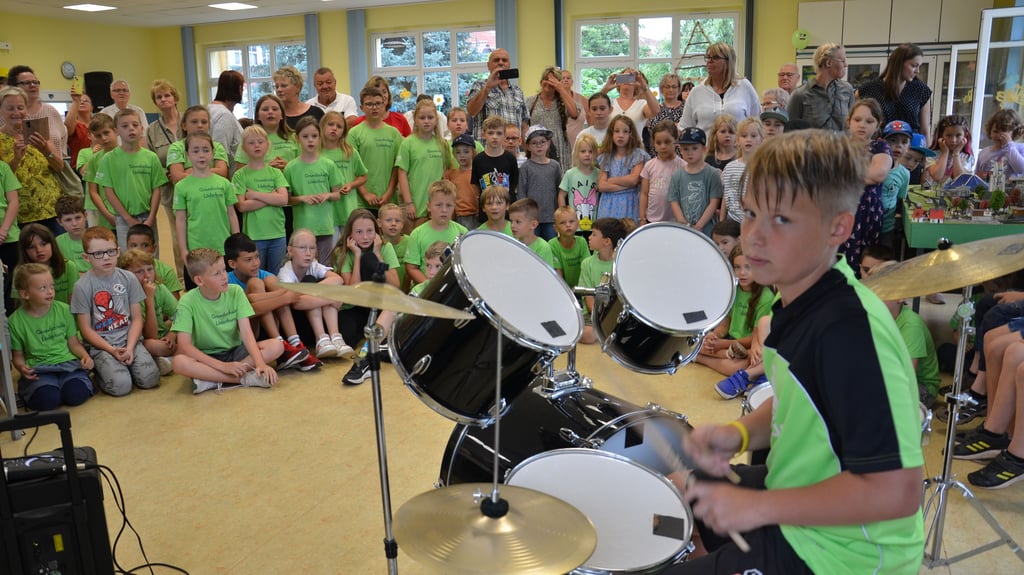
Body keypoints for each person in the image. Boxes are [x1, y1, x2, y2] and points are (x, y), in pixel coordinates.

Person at [663, 130, 924, 575]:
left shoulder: (850, 332)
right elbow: (800, 403)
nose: (754, 237)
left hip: (844, 552)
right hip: (798, 492)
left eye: (781, 219)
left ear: (837, 227)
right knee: (674, 488)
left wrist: (757, 509)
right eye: (750, 214)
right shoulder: (796, 300)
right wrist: (739, 434)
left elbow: (898, 491)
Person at [171, 248, 282, 395]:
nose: (224, 277)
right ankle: (243, 379)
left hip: (235, 351)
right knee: (179, 363)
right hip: (206, 356)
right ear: (199, 280)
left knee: (277, 345)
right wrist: (223, 366)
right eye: (217, 274)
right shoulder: (187, 301)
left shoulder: (236, 291)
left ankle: (209, 379)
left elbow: (247, 333)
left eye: (224, 270)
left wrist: (261, 364)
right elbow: (184, 345)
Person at [71, 226, 160, 397]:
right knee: (121, 387)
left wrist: (130, 347)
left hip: (130, 340)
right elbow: (86, 330)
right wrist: (112, 350)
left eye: (110, 251)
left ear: (118, 251)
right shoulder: (82, 286)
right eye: (98, 253)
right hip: (102, 346)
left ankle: (129, 366)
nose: (106, 257)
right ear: (86, 257)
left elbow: (136, 319)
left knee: (151, 379)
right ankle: (101, 372)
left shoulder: (129, 278)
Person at [224, 232, 318, 372]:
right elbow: (248, 307)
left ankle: (295, 344)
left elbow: (258, 300)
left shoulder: (266, 275)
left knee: (269, 282)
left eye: (257, 257)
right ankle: (283, 347)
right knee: (256, 283)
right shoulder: (227, 282)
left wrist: (281, 296)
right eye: (248, 259)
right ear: (232, 263)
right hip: (246, 335)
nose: (255, 263)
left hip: (270, 327)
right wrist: (285, 296)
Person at [10, 263, 94, 411]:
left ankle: (65, 386)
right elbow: (17, 355)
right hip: (40, 370)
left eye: (52, 286)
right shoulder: (15, 321)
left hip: (68, 365)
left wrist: (85, 356)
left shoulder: (64, 310)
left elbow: (73, 343)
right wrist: (22, 368)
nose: (50, 292)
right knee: (47, 400)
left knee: (76, 394)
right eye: (43, 288)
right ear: (25, 294)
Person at [333, 209, 402, 385]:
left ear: (376, 232)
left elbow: (395, 285)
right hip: (356, 306)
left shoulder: (386, 247)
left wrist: (378, 254)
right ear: (350, 234)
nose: (365, 237)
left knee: (370, 260)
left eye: (370, 231)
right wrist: (356, 256)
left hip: (381, 304)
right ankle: (382, 344)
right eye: (359, 232)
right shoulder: (343, 252)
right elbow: (353, 292)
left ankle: (364, 358)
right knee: (347, 337)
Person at [698, 245, 775, 389]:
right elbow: (725, 324)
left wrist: (720, 345)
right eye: (737, 267)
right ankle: (717, 354)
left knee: (743, 365)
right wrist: (715, 335)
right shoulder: (733, 290)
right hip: (729, 343)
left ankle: (699, 357)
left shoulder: (765, 296)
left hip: (747, 346)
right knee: (699, 340)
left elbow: (755, 338)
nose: (742, 273)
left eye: (748, 267)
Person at [97, 109, 168, 249]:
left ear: (142, 128)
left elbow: (156, 189)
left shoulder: (151, 158)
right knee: (128, 258)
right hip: (123, 219)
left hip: (148, 217)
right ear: (116, 130)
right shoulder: (109, 159)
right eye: (125, 126)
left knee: (150, 257)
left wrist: (152, 217)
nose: (131, 129)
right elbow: (109, 192)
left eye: (135, 125)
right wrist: (128, 219)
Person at [278, 228, 351, 359]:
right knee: (311, 281)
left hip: (313, 316)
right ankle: (321, 339)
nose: (308, 253)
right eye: (302, 248)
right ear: (290, 251)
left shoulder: (314, 265)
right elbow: (297, 303)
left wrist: (315, 291)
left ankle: (335, 337)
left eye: (312, 248)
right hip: (297, 325)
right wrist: (330, 298)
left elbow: (338, 279)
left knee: (320, 285)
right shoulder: (285, 273)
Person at [0, 86, 62, 233]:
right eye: (10, 108)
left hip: (53, 211)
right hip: (21, 215)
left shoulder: (39, 132)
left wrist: (46, 150)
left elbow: (59, 167)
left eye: (20, 107)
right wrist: (16, 159)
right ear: (1, 111)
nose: (16, 113)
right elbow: (2, 182)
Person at [173, 131, 240, 266]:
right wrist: (183, 250)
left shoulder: (224, 183)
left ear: (213, 152)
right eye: (195, 151)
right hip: (196, 249)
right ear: (187, 155)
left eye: (205, 150)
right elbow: (180, 220)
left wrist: (236, 243)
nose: (201, 155)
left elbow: (231, 214)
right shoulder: (181, 187)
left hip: (223, 246)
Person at [841, 98, 891, 276]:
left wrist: (841, 174)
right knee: (839, 264)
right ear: (849, 122)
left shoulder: (880, 146)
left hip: (867, 215)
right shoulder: (839, 146)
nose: (862, 125)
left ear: (878, 124)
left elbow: (877, 174)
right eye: (857, 120)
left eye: (869, 121)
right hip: (841, 212)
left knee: (866, 264)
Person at [285, 117, 343, 264]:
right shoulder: (291, 168)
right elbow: (286, 199)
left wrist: (327, 195)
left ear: (319, 137)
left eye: (314, 136)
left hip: (325, 226)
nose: (310, 140)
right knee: (303, 265)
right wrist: (302, 198)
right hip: (302, 227)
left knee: (325, 266)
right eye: (305, 136)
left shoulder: (328, 165)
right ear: (297, 138)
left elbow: (337, 194)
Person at [232, 125, 290, 274]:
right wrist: (271, 196)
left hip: (278, 234)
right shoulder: (240, 175)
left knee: (277, 277)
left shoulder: (275, 173)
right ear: (244, 148)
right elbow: (242, 206)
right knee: (256, 276)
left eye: (260, 141)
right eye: (251, 143)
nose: (256, 145)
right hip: (254, 236)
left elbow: (284, 200)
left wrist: (254, 195)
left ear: (267, 145)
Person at [145, 79, 185, 275]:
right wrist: (166, 174)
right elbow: (151, 160)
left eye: (167, 95)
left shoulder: (189, 121)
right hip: (171, 191)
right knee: (178, 237)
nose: (163, 99)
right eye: (159, 97)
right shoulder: (152, 130)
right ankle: (181, 278)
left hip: (196, 184)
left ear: (175, 98)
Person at [118, 248, 176, 377]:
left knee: (190, 334)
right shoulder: (125, 296)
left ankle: (170, 359)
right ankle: (175, 358)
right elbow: (150, 335)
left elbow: (180, 315)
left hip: (164, 339)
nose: (147, 275)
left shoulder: (159, 288)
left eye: (150, 269)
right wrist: (149, 299)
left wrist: (173, 334)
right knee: (150, 345)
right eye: (139, 271)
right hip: (142, 342)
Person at [855, 44, 932, 140]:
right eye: (914, 66)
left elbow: (925, 130)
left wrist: (927, 154)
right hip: (879, 148)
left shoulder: (921, 90)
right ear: (899, 63)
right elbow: (855, 123)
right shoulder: (869, 89)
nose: (918, 71)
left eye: (919, 66)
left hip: (911, 149)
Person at [679, 43, 760, 133]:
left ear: (728, 61)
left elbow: (758, 123)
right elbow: (684, 127)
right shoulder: (697, 92)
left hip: (737, 146)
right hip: (706, 146)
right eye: (708, 57)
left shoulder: (744, 86)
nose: (710, 61)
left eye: (715, 58)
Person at [397, 100, 452, 231]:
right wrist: (409, 202)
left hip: (437, 206)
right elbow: (402, 174)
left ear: (436, 120)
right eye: (422, 118)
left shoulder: (442, 144)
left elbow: (447, 172)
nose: (426, 121)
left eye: (430, 117)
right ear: (415, 119)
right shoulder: (408, 143)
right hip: (415, 205)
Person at [348, 86, 403, 209]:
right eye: (369, 104)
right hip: (361, 202)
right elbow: (351, 168)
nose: (374, 108)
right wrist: (365, 193)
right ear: (361, 107)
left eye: (378, 103)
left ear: (384, 105)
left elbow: (397, 167)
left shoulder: (394, 133)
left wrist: (389, 193)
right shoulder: (354, 133)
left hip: (388, 201)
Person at [404, 180, 467, 285]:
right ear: (428, 206)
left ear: (455, 206)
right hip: (425, 291)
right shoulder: (417, 234)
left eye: (449, 205)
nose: (444, 210)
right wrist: (430, 286)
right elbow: (411, 268)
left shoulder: (462, 233)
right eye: (438, 205)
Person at [577, 217, 628, 345]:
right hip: (594, 315)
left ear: (606, 241)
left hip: (618, 314)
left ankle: (609, 331)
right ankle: (608, 332)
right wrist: (600, 320)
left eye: (594, 234)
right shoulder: (587, 264)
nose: (589, 237)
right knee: (587, 336)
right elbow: (589, 298)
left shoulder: (621, 264)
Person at [320, 111, 368, 238]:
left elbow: (363, 176)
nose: (334, 128)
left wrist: (351, 185)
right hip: (327, 211)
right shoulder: (316, 153)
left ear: (344, 132)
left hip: (347, 208)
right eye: (330, 124)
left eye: (339, 126)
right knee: (332, 251)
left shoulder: (350, 152)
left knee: (349, 247)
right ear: (322, 127)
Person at [787, 43, 854, 132]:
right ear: (828, 63)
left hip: (841, 145)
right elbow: (790, 132)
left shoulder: (847, 90)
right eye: (843, 61)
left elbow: (852, 126)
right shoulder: (800, 94)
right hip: (812, 146)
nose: (846, 65)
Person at [6, 66, 70, 158]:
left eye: (35, 82)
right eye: (27, 83)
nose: (33, 85)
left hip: (54, 168)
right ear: (14, 87)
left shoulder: (51, 111)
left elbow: (63, 137)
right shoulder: (7, 115)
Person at [669, 127, 722, 236]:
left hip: (707, 229)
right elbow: (674, 201)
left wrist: (699, 226)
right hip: (684, 230)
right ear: (680, 150)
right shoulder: (676, 175)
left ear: (704, 149)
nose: (690, 153)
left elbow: (714, 202)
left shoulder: (712, 174)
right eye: (685, 149)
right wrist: (682, 223)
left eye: (694, 148)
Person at [466, 48, 529, 140]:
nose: (500, 63)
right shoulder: (479, 85)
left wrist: (528, 150)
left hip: (511, 150)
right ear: (488, 65)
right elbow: (471, 111)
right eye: (496, 60)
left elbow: (524, 126)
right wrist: (487, 88)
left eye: (504, 60)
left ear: (509, 64)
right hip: (486, 149)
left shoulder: (518, 91)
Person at [526, 66, 580, 172]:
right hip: (537, 148)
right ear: (541, 82)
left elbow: (574, 113)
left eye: (553, 80)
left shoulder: (563, 101)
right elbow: (524, 127)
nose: (549, 83)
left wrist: (560, 88)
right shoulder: (530, 102)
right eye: (547, 79)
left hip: (560, 149)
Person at [597, 115, 649, 221]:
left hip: (629, 202)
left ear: (631, 134)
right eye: (617, 131)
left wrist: (611, 180)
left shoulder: (637, 155)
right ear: (611, 134)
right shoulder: (606, 156)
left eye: (625, 131)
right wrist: (627, 185)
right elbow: (601, 186)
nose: (621, 135)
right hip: (608, 204)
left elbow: (634, 180)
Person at [17, 223, 79, 306]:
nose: (39, 250)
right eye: (31, 247)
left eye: (43, 244)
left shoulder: (69, 266)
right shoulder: (20, 273)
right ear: (25, 251)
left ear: (52, 244)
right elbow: (21, 304)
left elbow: (75, 302)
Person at [518, 125, 561, 240]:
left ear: (549, 143)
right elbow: (522, 194)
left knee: (550, 246)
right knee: (532, 248)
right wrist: (524, 215)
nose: (539, 145)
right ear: (528, 146)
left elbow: (559, 191)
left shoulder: (555, 166)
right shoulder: (525, 167)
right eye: (534, 143)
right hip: (531, 218)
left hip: (551, 218)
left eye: (542, 141)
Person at [472, 115, 520, 216]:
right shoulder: (478, 160)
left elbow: (514, 184)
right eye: (490, 133)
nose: (494, 137)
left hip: (507, 212)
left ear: (504, 136)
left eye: (499, 133)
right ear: (484, 135)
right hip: (486, 212)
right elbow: (476, 187)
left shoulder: (510, 159)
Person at [234, 94, 298, 171]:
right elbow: (239, 172)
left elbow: (306, 166)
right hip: (260, 182)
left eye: (274, 109)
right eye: (265, 109)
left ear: (282, 115)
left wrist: (289, 167)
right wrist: (265, 170)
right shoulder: (248, 139)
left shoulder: (295, 137)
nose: (270, 112)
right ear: (258, 116)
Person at [720, 117, 765, 223]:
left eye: (753, 136)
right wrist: (721, 221)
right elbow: (726, 196)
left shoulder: (765, 167)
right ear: (737, 141)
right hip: (732, 220)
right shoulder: (730, 167)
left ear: (762, 140)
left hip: (755, 221)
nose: (748, 139)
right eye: (744, 136)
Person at [597, 69, 660, 144]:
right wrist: (605, 89)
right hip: (612, 149)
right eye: (624, 77)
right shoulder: (610, 103)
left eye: (631, 77)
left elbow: (655, 111)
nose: (627, 81)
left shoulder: (641, 104)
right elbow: (593, 108)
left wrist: (644, 86)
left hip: (635, 150)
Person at [640, 120, 684, 225]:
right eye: (658, 143)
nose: (663, 146)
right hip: (652, 219)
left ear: (676, 140)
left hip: (674, 220)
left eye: (667, 142)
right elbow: (644, 193)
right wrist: (642, 218)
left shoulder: (683, 166)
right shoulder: (649, 165)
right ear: (653, 143)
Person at [126, 224, 183, 299]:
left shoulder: (166, 271)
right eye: (134, 245)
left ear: (154, 248)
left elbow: (175, 305)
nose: (139, 250)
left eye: (145, 245)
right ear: (127, 247)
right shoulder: (122, 271)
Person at [82, 114, 119, 231]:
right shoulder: (94, 159)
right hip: (107, 218)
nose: (103, 138)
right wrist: (108, 215)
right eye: (98, 136)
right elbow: (93, 192)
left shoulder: (128, 154)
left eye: (106, 133)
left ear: (115, 131)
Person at [879, 120, 912, 249]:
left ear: (909, 147)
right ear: (882, 142)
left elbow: (899, 199)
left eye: (904, 142)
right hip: (867, 223)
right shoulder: (872, 166)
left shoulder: (904, 174)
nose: (898, 146)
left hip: (887, 227)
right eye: (893, 140)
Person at [559, 133, 599, 233]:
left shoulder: (599, 174)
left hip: (594, 224)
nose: (587, 154)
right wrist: (564, 214)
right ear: (577, 153)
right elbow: (561, 195)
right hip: (574, 225)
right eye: (583, 151)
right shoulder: (570, 174)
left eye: (591, 151)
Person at [208, 70, 245, 169]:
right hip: (226, 179)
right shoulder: (224, 115)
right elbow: (220, 152)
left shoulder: (211, 109)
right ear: (239, 88)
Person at [645, 73, 687, 157]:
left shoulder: (686, 108)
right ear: (661, 89)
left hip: (680, 157)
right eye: (667, 87)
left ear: (679, 89)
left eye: (674, 87)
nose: (671, 89)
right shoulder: (655, 109)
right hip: (657, 157)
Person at [975, 108, 1024, 179]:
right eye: (995, 131)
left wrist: (1009, 146)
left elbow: (1021, 170)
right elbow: (977, 175)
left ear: (1014, 132)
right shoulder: (983, 153)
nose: (999, 135)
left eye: (1004, 132)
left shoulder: (1020, 148)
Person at [548, 205, 589, 287]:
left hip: (582, 288)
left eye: (571, 221)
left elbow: (586, 269)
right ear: (556, 228)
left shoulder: (582, 242)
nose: (568, 225)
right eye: (562, 223)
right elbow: (558, 275)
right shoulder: (552, 245)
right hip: (563, 289)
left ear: (577, 224)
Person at [445, 133, 478, 230]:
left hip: (476, 215)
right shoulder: (451, 174)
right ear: (454, 154)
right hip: (459, 215)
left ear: (473, 152)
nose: (462, 156)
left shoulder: (478, 172)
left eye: (466, 152)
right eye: (458, 152)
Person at [0, 159, 20, 313]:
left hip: (9, 238)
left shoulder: (3, 167)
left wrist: (3, 231)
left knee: (10, 293)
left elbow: (13, 201)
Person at [509, 198, 554, 266]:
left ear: (533, 224)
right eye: (511, 221)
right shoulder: (512, 244)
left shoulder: (543, 247)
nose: (512, 225)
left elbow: (545, 275)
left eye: (518, 222)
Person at [377, 203, 410, 291]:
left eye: (397, 220)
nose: (393, 224)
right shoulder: (377, 244)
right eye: (388, 220)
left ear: (403, 223)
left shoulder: (410, 242)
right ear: (379, 223)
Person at [54, 195, 89, 274]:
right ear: (59, 222)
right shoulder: (57, 242)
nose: (74, 223)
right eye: (68, 220)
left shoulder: (98, 238)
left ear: (85, 215)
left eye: (78, 217)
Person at [66, 90, 94, 170]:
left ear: (92, 107)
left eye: (85, 101)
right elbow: (67, 128)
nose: (82, 102)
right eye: (80, 101)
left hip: (98, 165)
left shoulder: (97, 124)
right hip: (79, 167)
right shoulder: (74, 125)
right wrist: (76, 100)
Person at [561, 69, 588, 145]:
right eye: (563, 78)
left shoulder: (582, 99)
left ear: (572, 82)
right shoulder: (554, 100)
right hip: (561, 143)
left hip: (579, 142)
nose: (566, 80)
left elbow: (590, 117)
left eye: (568, 78)